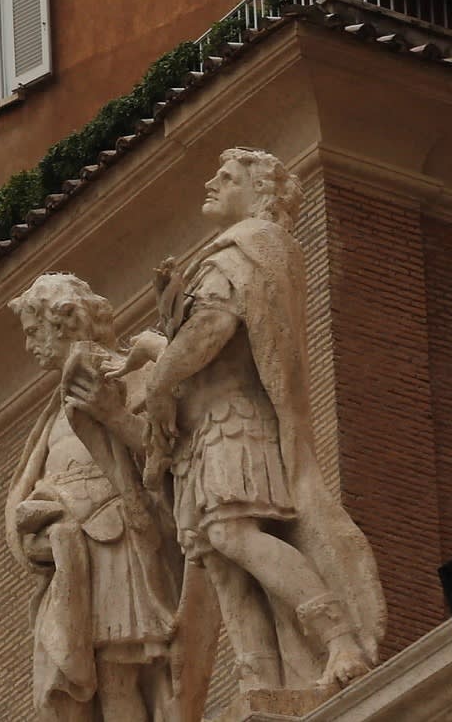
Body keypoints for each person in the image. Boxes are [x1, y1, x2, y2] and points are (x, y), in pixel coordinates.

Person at [139, 148, 385, 694]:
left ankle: (338, 636)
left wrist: (158, 379)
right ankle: (260, 686)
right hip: (203, 432)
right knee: (220, 560)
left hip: (235, 421)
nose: (211, 182)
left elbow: (210, 329)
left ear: (258, 191)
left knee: (230, 533)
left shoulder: (246, 247)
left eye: (224, 177)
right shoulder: (238, 251)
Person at [7, 274, 204, 722]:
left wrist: (111, 414)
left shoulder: (133, 376)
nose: (29, 347)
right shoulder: (50, 416)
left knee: (124, 671)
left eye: (34, 332)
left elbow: (167, 451)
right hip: (78, 549)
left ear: (65, 322)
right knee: (102, 675)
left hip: (120, 536)